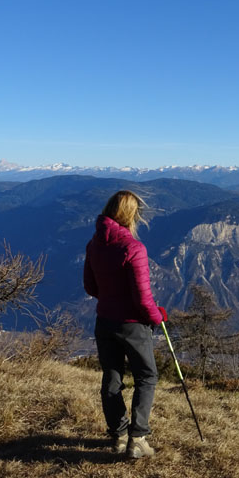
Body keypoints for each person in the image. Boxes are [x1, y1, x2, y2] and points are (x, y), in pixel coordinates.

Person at [83, 190, 168, 458]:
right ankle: (138, 438)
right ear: (131, 215)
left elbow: (90, 286)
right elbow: (143, 299)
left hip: (105, 321)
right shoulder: (134, 248)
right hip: (133, 325)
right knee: (147, 376)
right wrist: (158, 316)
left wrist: (110, 299)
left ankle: (118, 436)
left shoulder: (94, 244)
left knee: (112, 377)